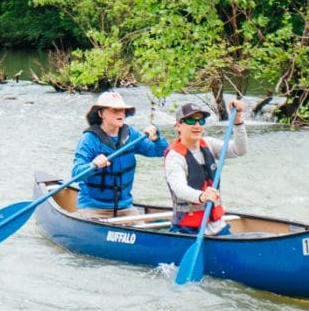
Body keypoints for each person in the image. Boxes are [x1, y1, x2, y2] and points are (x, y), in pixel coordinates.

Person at [72, 90, 163, 219]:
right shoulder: (89, 139)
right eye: (115, 110)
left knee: (141, 230)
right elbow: (76, 174)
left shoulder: (131, 135)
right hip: (94, 208)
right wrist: (93, 165)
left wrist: (157, 139)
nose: (120, 113)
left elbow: (160, 151)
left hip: (125, 208)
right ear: (101, 113)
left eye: (122, 110)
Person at [164, 99, 247, 237]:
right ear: (178, 126)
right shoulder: (174, 156)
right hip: (188, 229)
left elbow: (240, 150)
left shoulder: (208, 144)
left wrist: (238, 121)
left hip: (218, 227)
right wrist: (201, 196)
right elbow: (179, 188)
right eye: (191, 121)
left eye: (201, 121)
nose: (197, 125)